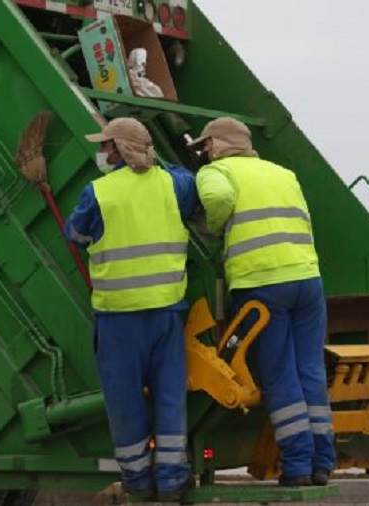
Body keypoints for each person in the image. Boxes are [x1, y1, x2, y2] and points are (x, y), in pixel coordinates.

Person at [191, 117, 335, 487]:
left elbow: (218, 200)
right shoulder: (282, 173)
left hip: (262, 285)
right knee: (310, 371)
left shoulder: (216, 172)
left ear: (218, 144)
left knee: (278, 373)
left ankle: (298, 466)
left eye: (205, 145)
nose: (204, 152)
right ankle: (322, 461)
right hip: (306, 280)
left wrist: (216, 227)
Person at [64, 117, 198, 501]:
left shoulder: (100, 192)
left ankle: (138, 482)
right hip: (167, 313)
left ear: (120, 150)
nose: (102, 152)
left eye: (107, 145)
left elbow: (75, 234)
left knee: (125, 400)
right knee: (170, 395)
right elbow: (188, 186)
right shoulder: (173, 184)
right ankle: (172, 479)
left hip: (119, 318)